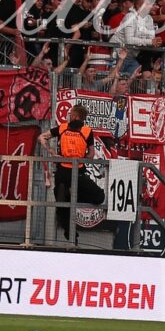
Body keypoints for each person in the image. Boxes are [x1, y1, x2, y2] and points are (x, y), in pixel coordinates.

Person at [50, 103, 103, 240]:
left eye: (70, 114)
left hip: (64, 173)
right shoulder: (87, 130)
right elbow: (91, 154)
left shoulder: (63, 128)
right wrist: (81, 158)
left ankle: (69, 228)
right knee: (98, 196)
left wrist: (51, 152)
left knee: (62, 199)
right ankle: (70, 232)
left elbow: (42, 138)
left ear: (75, 116)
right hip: (76, 172)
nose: (69, 116)